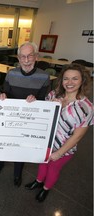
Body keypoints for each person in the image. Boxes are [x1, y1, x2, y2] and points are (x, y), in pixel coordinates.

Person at [25, 63, 93, 202]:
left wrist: (59, 152)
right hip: (46, 143)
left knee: (53, 170)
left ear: (82, 81)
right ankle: (38, 181)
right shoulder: (53, 95)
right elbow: (41, 115)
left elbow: (78, 135)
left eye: (75, 79)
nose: (69, 83)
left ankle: (46, 189)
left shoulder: (86, 107)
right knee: (42, 164)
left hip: (64, 149)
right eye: (66, 78)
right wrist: (37, 102)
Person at [0, 42, 50, 187]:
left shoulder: (44, 77)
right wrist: (2, 95)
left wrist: (37, 101)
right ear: (18, 58)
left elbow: (45, 102)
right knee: (4, 143)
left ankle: (17, 173)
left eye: (30, 56)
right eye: (22, 56)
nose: (26, 60)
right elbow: (6, 92)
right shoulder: (11, 73)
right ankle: (0, 163)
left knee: (21, 147)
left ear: (36, 57)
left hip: (29, 120)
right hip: (10, 117)